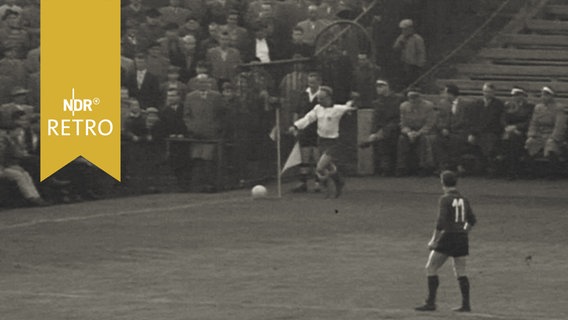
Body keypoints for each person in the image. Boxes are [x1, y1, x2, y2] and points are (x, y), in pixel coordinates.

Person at [415, 170, 477, 312]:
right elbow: (472, 220)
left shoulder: (445, 199)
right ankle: (466, 304)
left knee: (431, 267)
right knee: (461, 270)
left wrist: (433, 240)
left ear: (442, 183)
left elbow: (441, 222)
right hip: (461, 238)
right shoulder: (464, 199)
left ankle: (431, 302)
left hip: (448, 236)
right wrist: (463, 232)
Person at [290, 86, 357, 198]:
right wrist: (296, 126)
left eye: (321, 98)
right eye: (318, 98)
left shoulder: (337, 109)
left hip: (333, 142)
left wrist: (353, 101)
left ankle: (331, 186)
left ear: (329, 98)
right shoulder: (317, 108)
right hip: (321, 141)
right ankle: (338, 183)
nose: (319, 101)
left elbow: (350, 107)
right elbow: (308, 118)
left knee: (320, 167)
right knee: (329, 167)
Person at [362, 79, 402, 176]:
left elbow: (398, 117)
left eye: (381, 86)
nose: (378, 88)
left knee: (387, 134)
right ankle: (384, 168)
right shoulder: (377, 102)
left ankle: (373, 139)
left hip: (396, 125)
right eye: (377, 86)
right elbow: (375, 120)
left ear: (388, 87)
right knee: (382, 138)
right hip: (383, 128)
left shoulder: (398, 99)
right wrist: (373, 132)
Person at [396, 87, 435, 176]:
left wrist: (419, 133)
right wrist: (408, 132)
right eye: (411, 97)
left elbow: (430, 123)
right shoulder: (403, 106)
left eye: (416, 97)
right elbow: (402, 123)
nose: (413, 100)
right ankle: (402, 167)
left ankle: (423, 167)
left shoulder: (428, 106)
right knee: (402, 139)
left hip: (423, 130)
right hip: (410, 130)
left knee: (423, 140)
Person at [498, 87, 534, 179]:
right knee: (509, 140)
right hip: (509, 131)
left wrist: (516, 127)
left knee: (513, 141)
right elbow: (503, 119)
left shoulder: (529, 107)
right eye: (514, 96)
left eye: (518, 95)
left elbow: (529, 121)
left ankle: (512, 170)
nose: (516, 97)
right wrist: (507, 127)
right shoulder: (508, 106)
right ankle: (509, 169)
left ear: (523, 96)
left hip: (522, 132)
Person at [392, 19, 425, 89]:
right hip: (404, 62)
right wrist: (400, 44)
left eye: (406, 29)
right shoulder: (401, 37)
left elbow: (421, 52)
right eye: (403, 30)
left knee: (413, 80)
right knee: (403, 80)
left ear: (411, 29)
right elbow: (395, 48)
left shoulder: (417, 39)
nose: (404, 31)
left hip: (414, 64)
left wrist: (420, 64)